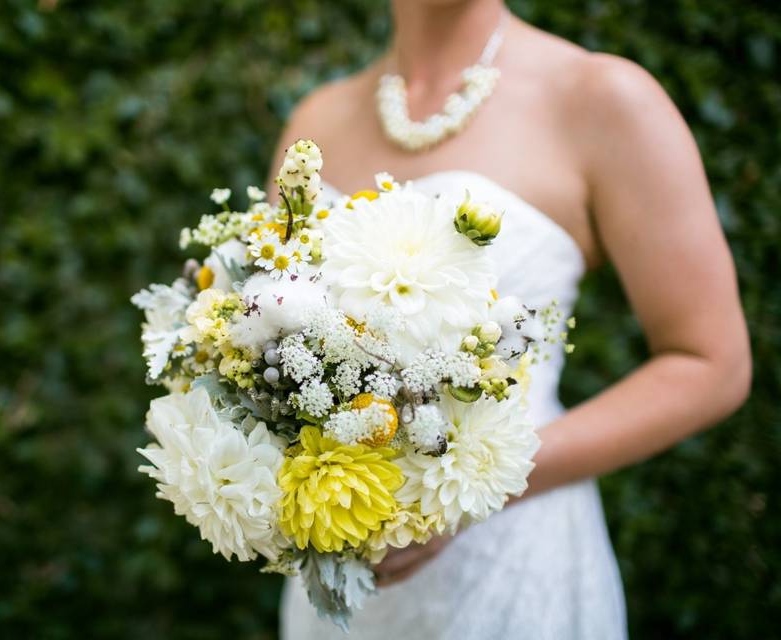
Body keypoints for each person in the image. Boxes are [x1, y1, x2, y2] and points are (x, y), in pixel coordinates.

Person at [271, 1, 751, 638]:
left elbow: (710, 364)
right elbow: (264, 329)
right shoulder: (317, 120)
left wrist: (479, 487)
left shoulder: (603, 99)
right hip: (340, 588)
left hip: (513, 575)